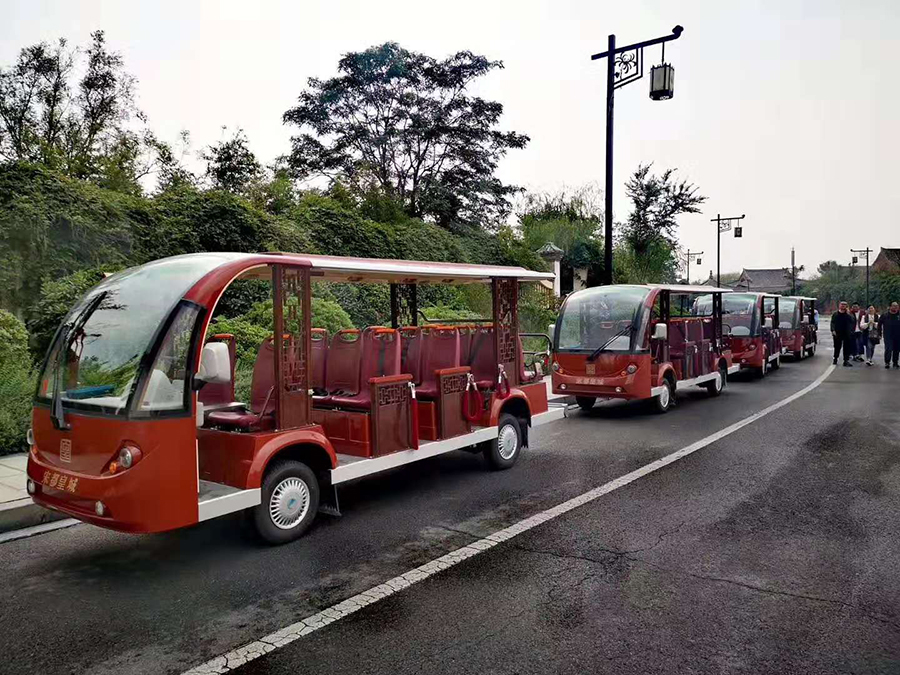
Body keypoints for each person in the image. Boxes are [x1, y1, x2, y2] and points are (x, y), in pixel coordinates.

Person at [831, 301, 856, 367]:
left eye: (845, 305)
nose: (843, 306)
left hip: (846, 333)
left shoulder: (848, 315)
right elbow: (832, 323)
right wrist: (833, 330)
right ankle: (835, 358)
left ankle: (846, 361)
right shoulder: (835, 314)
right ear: (839, 305)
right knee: (837, 347)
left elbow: (852, 321)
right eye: (842, 305)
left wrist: (848, 313)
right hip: (837, 333)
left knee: (847, 347)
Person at [878, 302, 900, 369]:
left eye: (897, 306)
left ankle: (895, 362)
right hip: (888, 335)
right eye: (894, 306)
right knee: (889, 349)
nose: (895, 307)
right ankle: (887, 362)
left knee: (897, 349)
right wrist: (879, 333)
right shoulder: (885, 315)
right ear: (890, 307)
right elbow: (879, 324)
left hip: (898, 336)